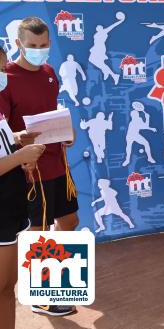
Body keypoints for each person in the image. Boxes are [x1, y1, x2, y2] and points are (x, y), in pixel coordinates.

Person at [0, 17, 78, 317]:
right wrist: (22, 145)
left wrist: (66, 134)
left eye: (44, 45)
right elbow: (6, 133)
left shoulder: (49, 72)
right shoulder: (6, 77)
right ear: (18, 44)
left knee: (69, 220)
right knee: (39, 230)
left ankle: (59, 283)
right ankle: (42, 297)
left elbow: (51, 112)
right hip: (30, 171)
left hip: (58, 162)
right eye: (33, 46)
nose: (40, 51)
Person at [0, 45, 46, 329]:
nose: (3, 74)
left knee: (7, 290)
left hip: (12, 205)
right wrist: (19, 157)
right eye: (0, 68)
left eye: (3, 68)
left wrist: (19, 139)